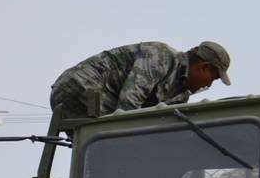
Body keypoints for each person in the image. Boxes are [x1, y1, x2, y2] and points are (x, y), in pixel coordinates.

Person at [49, 40, 231, 120]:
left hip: (101, 104)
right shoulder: (161, 56)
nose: (208, 84)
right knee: (112, 139)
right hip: (80, 87)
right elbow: (128, 104)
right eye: (212, 78)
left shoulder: (180, 96)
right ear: (203, 67)